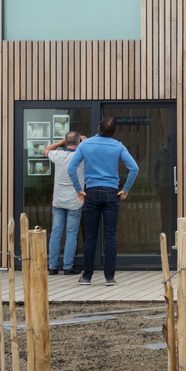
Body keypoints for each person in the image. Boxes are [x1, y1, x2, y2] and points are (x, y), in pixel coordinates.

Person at [68, 116, 139, 286]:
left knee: (90, 237)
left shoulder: (85, 144)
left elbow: (71, 168)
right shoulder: (118, 146)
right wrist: (125, 189)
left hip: (91, 192)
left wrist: (79, 190)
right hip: (111, 193)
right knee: (110, 236)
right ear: (113, 131)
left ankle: (87, 276)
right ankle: (109, 277)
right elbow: (134, 168)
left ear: (98, 127)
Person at [43, 131, 85, 275]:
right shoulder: (81, 157)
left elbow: (45, 150)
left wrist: (61, 142)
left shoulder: (58, 155)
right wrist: (84, 140)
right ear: (78, 142)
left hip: (58, 200)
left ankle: (52, 267)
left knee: (56, 233)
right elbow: (93, 147)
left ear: (66, 142)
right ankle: (68, 267)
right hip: (75, 201)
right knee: (71, 234)